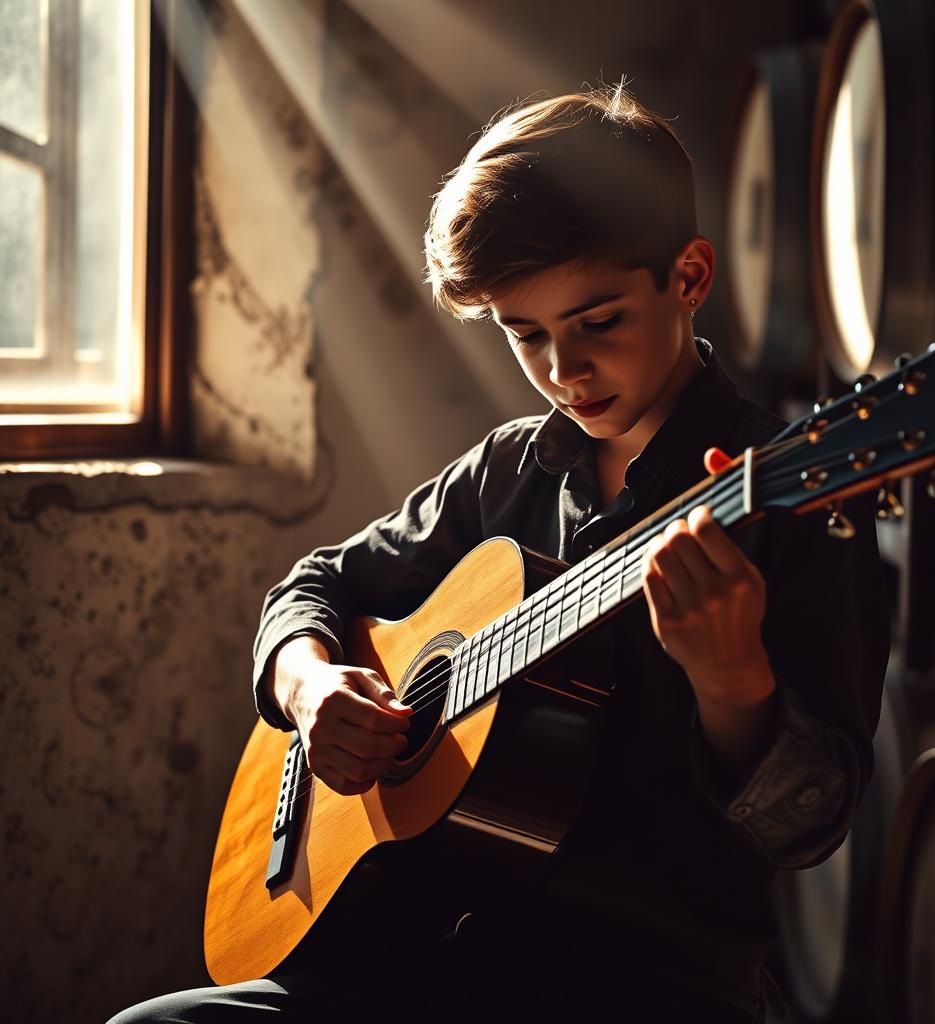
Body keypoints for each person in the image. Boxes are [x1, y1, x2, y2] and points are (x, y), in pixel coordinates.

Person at [110, 84, 889, 1023]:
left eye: (597, 322)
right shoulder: (510, 471)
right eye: (527, 335)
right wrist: (310, 689)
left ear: (688, 277)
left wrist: (734, 683)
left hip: (651, 986)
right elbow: (313, 585)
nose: (565, 371)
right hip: (418, 952)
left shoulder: (792, 506)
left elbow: (816, 824)